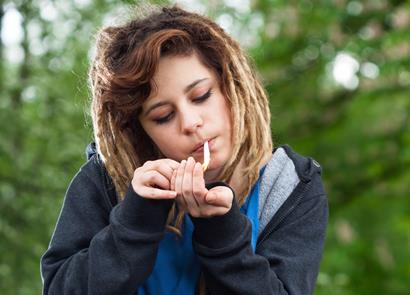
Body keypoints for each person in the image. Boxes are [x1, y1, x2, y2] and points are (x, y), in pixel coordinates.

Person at [40, 4, 328, 295]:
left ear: (232, 84)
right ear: (140, 130)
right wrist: (135, 221)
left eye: (201, 96)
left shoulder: (289, 185)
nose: (191, 123)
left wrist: (221, 233)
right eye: (163, 116)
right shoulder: (108, 180)